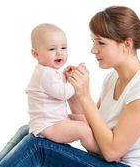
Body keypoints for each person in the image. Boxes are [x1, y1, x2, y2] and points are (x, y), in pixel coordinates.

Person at [0, 6, 140, 167]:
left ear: (126, 45)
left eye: (101, 42)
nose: (93, 49)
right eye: (93, 41)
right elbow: (93, 130)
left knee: (37, 146)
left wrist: (84, 95)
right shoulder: (112, 79)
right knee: (29, 130)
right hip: (110, 162)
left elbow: (111, 152)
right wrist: (73, 93)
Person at [25, 23, 98, 153]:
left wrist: (66, 77)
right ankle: (101, 154)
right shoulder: (45, 74)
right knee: (84, 129)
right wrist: (77, 80)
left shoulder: (48, 72)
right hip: (48, 126)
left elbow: (56, 89)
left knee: (82, 120)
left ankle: (96, 148)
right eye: (52, 49)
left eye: (64, 48)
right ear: (35, 54)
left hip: (55, 120)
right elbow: (63, 93)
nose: (59, 53)